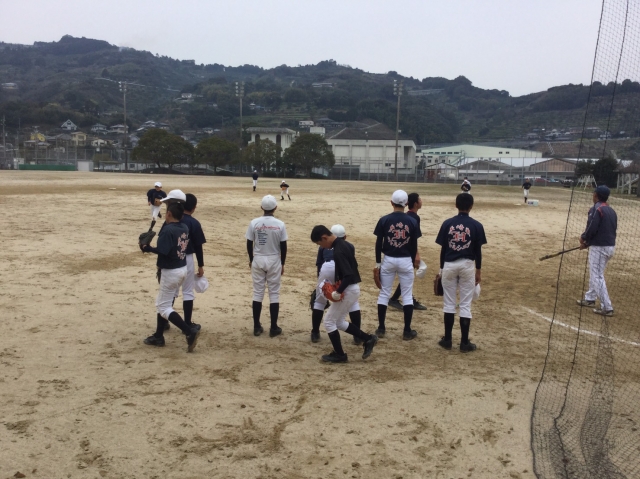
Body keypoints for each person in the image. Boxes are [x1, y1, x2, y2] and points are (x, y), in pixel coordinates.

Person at [310, 225, 378, 363]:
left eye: (320, 244)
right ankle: (368, 339)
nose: (322, 247)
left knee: (329, 322)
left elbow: (348, 274)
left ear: (324, 237)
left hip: (348, 289)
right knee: (339, 322)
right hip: (353, 288)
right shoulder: (345, 245)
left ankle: (340, 354)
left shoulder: (338, 251)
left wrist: (338, 291)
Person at [140, 201, 201, 352]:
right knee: (163, 302)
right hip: (182, 268)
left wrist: (147, 248)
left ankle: (189, 331)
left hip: (171, 271)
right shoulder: (184, 227)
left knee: (163, 306)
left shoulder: (168, 230)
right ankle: (158, 335)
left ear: (168, 214)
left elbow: (163, 251)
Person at [435, 193, 487, 353]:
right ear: (471, 206)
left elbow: (443, 249)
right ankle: (464, 343)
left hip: (449, 264)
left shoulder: (447, 223)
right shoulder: (477, 225)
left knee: (449, 303)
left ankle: (447, 340)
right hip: (467, 264)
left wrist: (441, 269)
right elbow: (478, 251)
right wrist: (478, 270)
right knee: (465, 304)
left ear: (456, 205)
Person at [373, 190, 420, 340]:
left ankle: (381, 328)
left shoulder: (384, 220)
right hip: (405, 259)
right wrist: (412, 260)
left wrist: (378, 263)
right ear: (406, 204)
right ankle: (407, 330)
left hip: (388, 259)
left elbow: (378, 243)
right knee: (407, 295)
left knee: (384, 293)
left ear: (391, 203)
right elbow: (414, 244)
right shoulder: (412, 221)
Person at [310, 224, 363, 345]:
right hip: (344, 270)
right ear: (345, 237)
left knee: (319, 301)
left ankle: (315, 332)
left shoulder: (323, 247)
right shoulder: (349, 246)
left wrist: (320, 284)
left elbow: (319, 264)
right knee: (353, 302)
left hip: (327, 267)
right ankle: (357, 336)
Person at [246, 195, 288, 337]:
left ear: (261, 207)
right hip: (274, 259)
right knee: (274, 293)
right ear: (275, 207)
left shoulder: (254, 223)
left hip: (258, 258)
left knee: (258, 292)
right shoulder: (280, 224)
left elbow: (249, 243)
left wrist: (251, 259)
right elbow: (283, 246)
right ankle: (274, 327)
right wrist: (282, 263)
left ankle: (257, 326)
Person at [576, 185, 617, 316]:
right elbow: (605, 230)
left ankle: (607, 307)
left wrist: (584, 238)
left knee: (596, 275)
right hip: (609, 246)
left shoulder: (596, 208)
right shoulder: (611, 210)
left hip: (599, 248)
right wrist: (588, 243)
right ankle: (590, 298)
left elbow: (592, 227)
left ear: (596, 195)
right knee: (597, 273)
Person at [388, 192, 427, 311]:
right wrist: (416, 254)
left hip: (403, 249)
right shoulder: (414, 217)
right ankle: (395, 299)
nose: (421, 201)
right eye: (420, 199)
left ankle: (405, 298)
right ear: (415, 204)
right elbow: (413, 239)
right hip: (408, 251)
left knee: (406, 277)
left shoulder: (408, 215)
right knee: (407, 277)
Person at [174, 193, 206, 331]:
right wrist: (201, 265)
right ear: (194, 208)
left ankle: (163, 321)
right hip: (187, 258)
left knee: (171, 291)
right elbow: (198, 246)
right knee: (187, 291)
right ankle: (187, 323)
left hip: (172, 258)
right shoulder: (194, 223)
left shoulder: (173, 219)